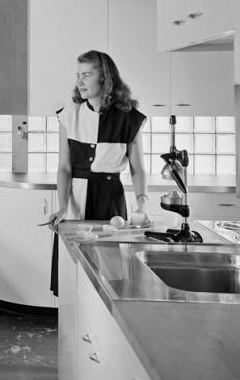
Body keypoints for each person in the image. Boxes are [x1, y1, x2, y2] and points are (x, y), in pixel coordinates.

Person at [47, 50, 150, 296]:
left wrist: (142, 205)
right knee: (73, 274)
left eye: (87, 74)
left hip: (111, 200)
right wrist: (62, 207)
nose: (80, 81)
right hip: (76, 199)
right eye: (78, 75)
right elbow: (64, 167)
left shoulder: (129, 119)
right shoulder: (69, 115)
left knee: (111, 273)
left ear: (104, 78)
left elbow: (138, 169)